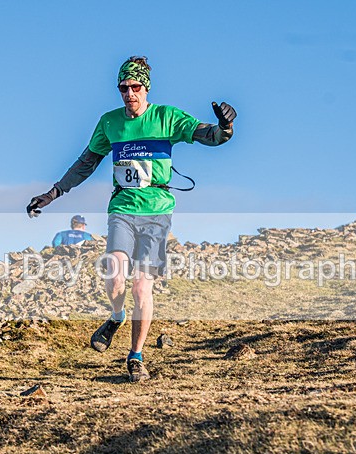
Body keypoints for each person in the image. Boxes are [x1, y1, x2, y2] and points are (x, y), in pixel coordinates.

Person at [26, 56, 236, 382]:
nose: (129, 94)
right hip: (122, 208)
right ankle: (116, 317)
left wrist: (225, 128)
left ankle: (136, 356)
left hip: (156, 212)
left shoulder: (166, 117)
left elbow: (208, 135)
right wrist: (53, 194)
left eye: (135, 87)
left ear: (146, 88)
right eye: (123, 88)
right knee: (115, 276)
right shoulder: (110, 123)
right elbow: (86, 163)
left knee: (141, 287)